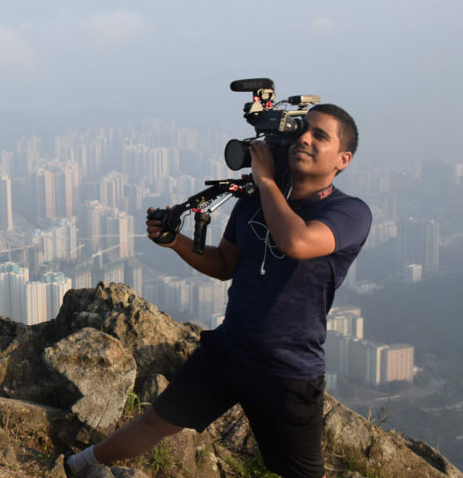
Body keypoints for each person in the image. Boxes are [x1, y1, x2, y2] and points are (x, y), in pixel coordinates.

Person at [67, 104, 371, 478]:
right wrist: (176, 242)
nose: (304, 139)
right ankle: (78, 466)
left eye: (319, 136)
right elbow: (227, 265)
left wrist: (267, 183)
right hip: (229, 349)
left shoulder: (349, 212)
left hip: (289, 368)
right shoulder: (255, 200)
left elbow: (297, 242)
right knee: (155, 422)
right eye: (301, 130)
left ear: (343, 159)